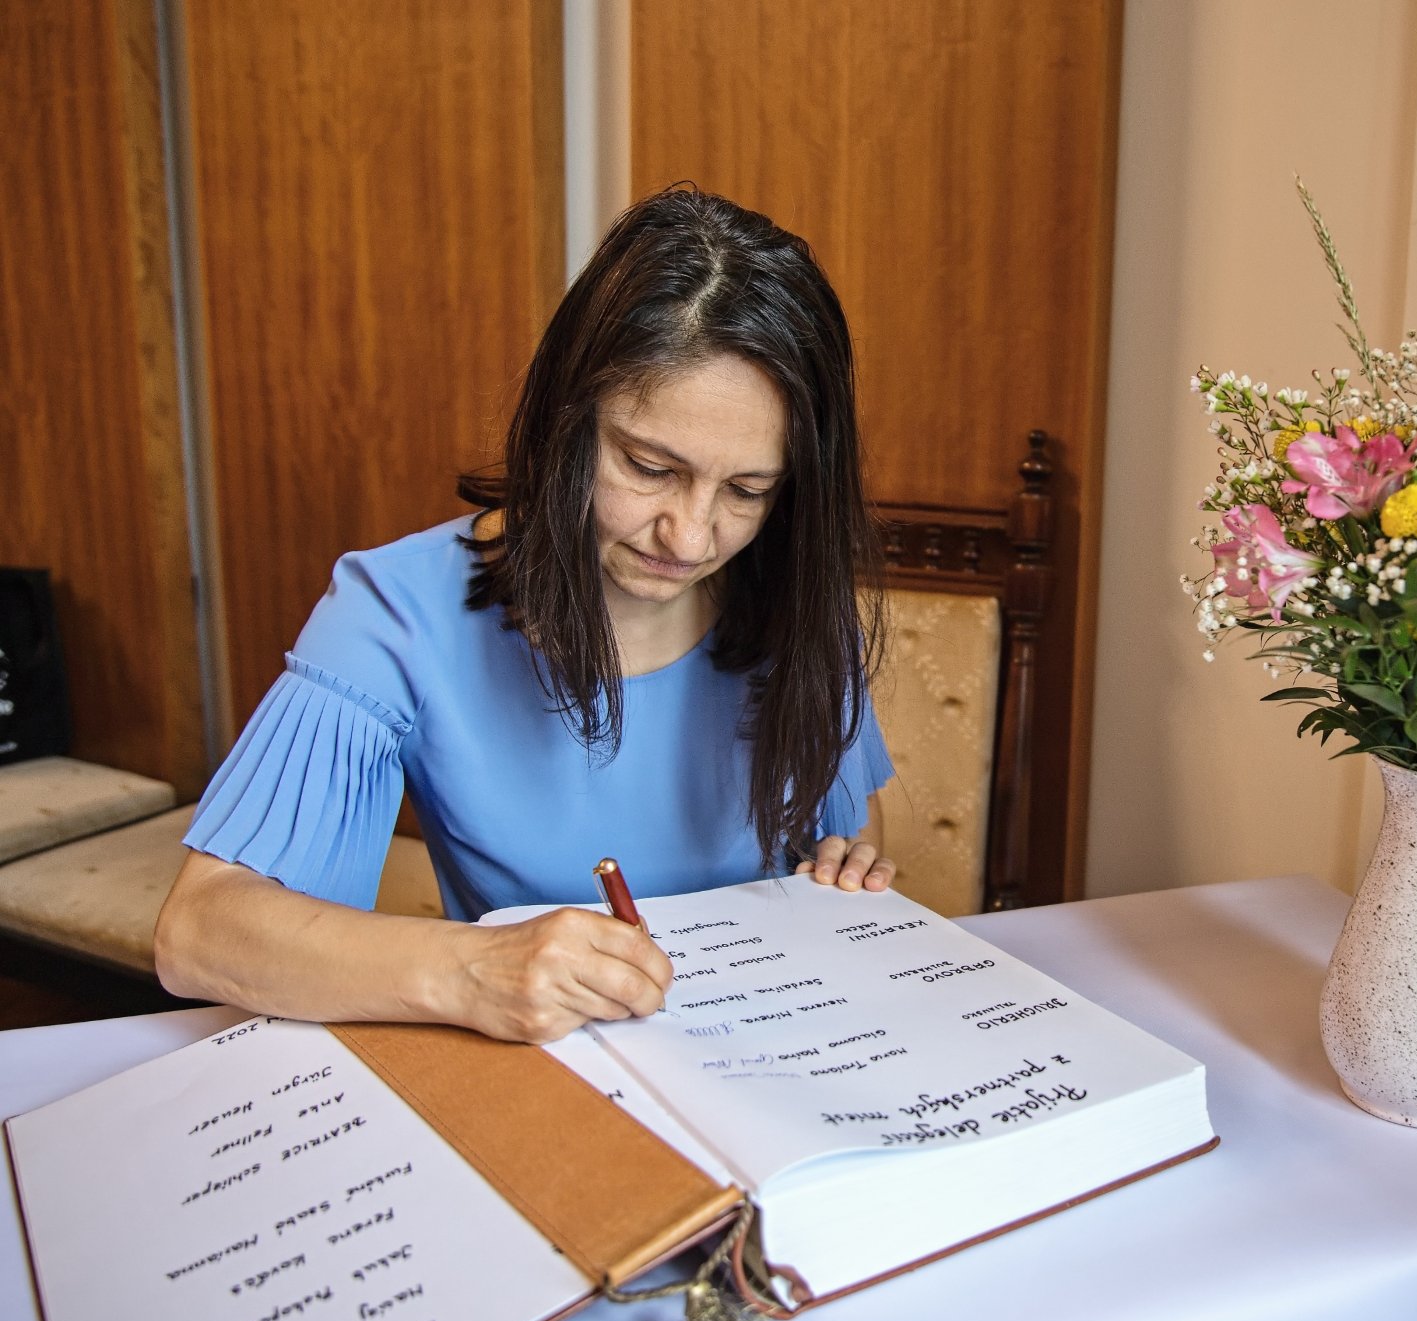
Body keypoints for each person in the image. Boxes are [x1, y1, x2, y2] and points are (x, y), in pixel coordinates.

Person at [154, 187, 897, 1044]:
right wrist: (476, 968)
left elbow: (849, 841)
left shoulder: (797, 607)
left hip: (764, 1060)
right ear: (564, 421)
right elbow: (199, 932)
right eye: (650, 467)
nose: (691, 537)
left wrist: (845, 872)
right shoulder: (399, 611)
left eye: (747, 490)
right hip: (533, 1071)